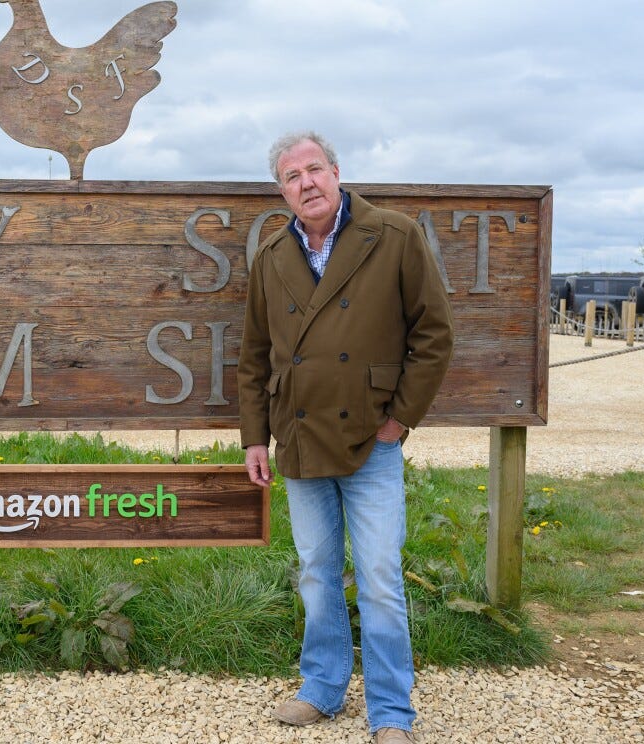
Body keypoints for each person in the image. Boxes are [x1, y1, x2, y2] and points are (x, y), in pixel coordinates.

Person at [238, 131, 453, 744]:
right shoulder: (273, 255)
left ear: (337, 172)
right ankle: (322, 687)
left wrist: (400, 420)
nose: (305, 183)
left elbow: (433, 334)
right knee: (315, 570)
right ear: (281, 190)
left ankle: (390, 713)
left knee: (381, 575)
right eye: (291, 176)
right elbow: (255, 356)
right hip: (300, 440)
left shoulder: (395, 236)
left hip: (372, 440)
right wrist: (257, 436)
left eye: (314, 169)